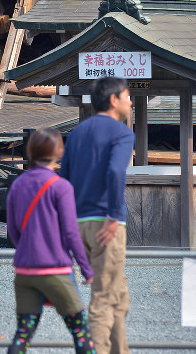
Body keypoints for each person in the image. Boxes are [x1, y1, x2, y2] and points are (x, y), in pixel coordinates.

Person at [61, 76, 135, 354]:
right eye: (127, 96)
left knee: (119, 295)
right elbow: (116, 171)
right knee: (104, 300)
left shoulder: (77, 133)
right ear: (114, 100)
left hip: (78, 223)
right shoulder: (122, 133)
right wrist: (113, 216)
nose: (130, 102)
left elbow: (64, 180)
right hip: (105, 224)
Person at [7, 127, 96, 354]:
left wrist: (29, 250)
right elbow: (71, 233)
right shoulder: (60, 186)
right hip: (55, 271)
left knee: (23, 334)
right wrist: (87, 269)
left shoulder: (17, 185)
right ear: (59, 152)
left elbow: (13, 230)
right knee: (80, 332)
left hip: (25, 271)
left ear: (31, 151)